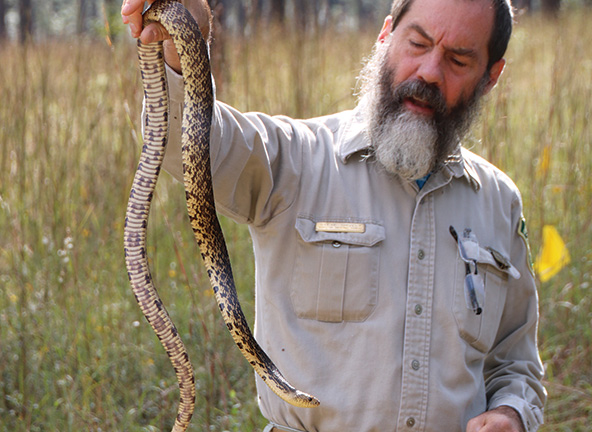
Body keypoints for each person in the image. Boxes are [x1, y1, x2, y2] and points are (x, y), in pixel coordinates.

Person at [121, 0, 547, 430]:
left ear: (490, 77)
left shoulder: (499, 202)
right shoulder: (297, 158)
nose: (430, 72)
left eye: (458, 60)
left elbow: (515, 361)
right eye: (417, 44)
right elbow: (194, 143)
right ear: (385, 36)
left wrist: (512, 412)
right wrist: (185, 43)